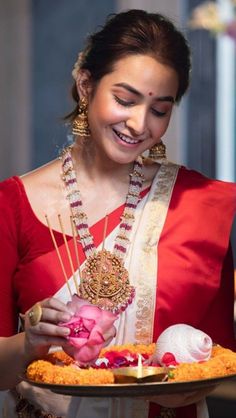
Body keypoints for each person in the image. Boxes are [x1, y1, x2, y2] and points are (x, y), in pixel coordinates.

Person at [0, 8, 235, 418]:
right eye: (125, 100)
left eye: (160, 110)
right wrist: (29, 343)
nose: (139, 124)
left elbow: (219, 355)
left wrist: (189, 385)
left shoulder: (199, 204)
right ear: (86, 84)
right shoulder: (13, 205)